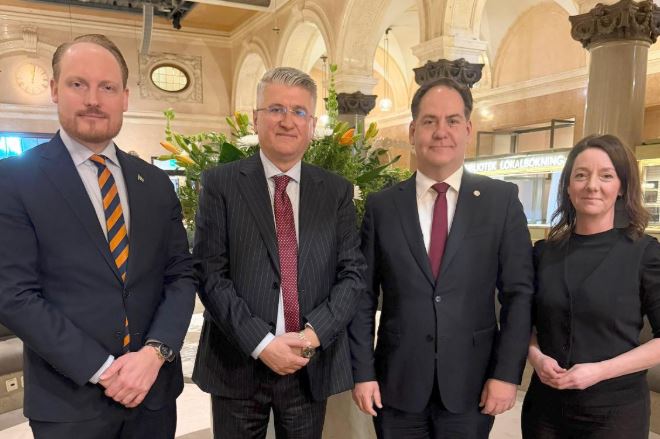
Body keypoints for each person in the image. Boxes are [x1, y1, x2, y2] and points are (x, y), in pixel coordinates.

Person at [0, 34, 196, 438]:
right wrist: (105, 370)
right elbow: (13, 294)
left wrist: (155, 353)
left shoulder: (155, 183)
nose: (93, 99)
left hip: (153, 393)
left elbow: (180, 276)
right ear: (55, 90)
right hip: (69, 401)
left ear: (124, 97)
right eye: (78, 84)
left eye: (107, 87)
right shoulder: (14, 180)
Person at [348, 77, 534, 438]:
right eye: (430, 121)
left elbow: (519, 294)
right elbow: (362, 297)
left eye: (452, 121)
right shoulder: (382, 206)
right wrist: (363, 372)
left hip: (473, 384)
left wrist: (506, 374)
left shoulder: (501, 201)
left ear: (468, 129)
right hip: (396, 383)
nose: (441, 132)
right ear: (412, 130)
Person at [193, 67, 365, 439]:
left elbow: (353, 274)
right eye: (276, 109)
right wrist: (262, 343)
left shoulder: (336, 191)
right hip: (237, 362)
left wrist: (311, 337)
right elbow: (210, 275)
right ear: (256, 118)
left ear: (312, 124)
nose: (287, 121)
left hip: (308, 364)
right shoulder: (220, 184)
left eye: (299, 111)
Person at [522, 134, 660, 438]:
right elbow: (525, 323)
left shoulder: (644, 253)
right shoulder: (544, 252)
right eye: (581, 175)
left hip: (615, 412)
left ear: (621, 186)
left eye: (606, 176)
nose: (592, 185)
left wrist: (600, 371)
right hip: (545, 408)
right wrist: (536, 357)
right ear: (568, 186)